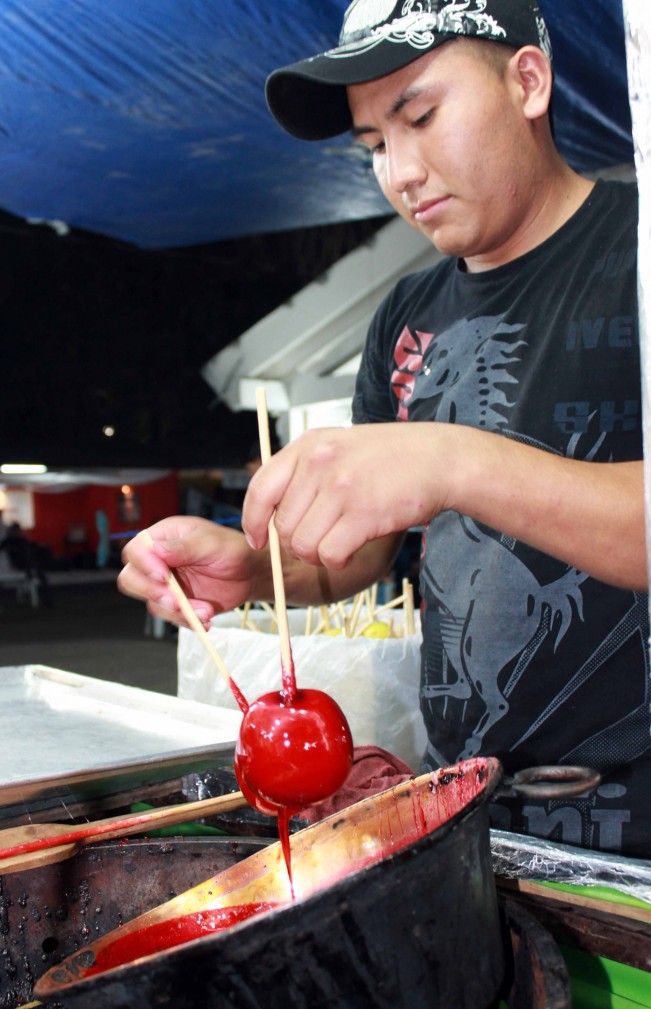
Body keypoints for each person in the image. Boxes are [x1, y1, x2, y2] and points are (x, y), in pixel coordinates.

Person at [119, 0, 649, 858]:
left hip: (636, 829)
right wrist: (251, 567)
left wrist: (447, 460)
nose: (401, 172)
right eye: (374, 147)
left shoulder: (639, 251)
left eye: (422, 116)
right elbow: (363, 556)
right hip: (465, 808)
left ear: (527, 81)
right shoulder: (406, 314)